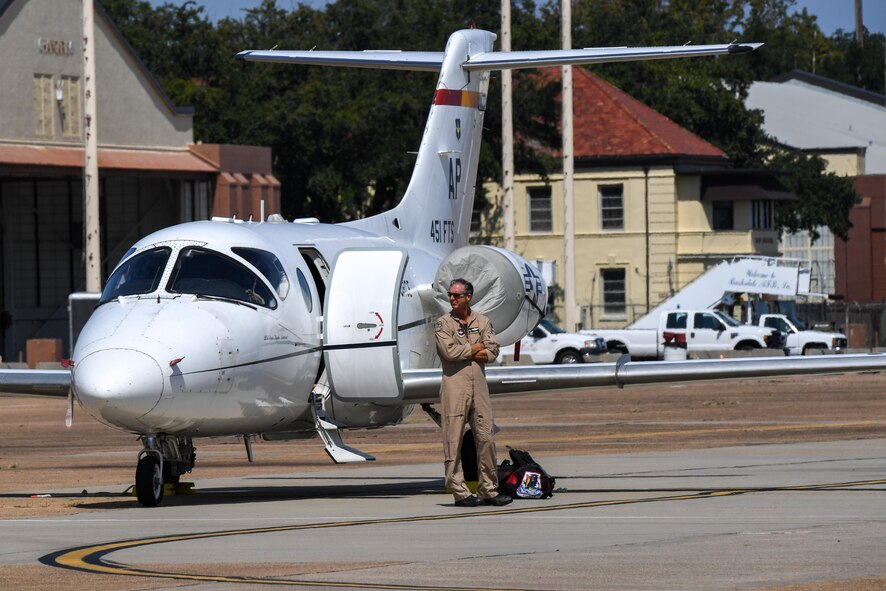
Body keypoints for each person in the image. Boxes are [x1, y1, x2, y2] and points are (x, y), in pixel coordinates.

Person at [434, 278, 512, 507]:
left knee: (486, 437)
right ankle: (460, 492)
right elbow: (448, 353)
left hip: (479, 386)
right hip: (454, 387)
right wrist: (476, 347)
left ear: (468, 297)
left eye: (457, 295)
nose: (452, 299)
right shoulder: (443, 323)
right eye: (450, 295)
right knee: (453, 438)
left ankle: (489, 489)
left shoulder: (483, 321)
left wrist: (467, 351)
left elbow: (492, 351)